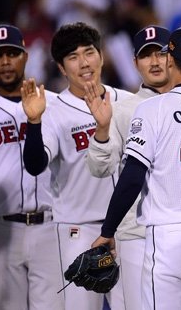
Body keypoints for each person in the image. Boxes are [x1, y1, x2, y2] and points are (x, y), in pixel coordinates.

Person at [84, 25, 181, 309]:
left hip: (168, 236)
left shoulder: (153, 110)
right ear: (135, 63)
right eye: (146, 56)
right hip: (136, 235)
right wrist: (102, 129)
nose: (155, 61)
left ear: (172, 57)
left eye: (160, 52)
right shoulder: (120, 109)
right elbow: (99, 169)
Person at [20, 22, 132, 310]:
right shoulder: (54, 112)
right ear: (61, 67)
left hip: (128, 231)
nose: (84, 63)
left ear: (102, 56)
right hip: (78, 232)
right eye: (73, 57)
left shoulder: (129, 102)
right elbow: (35, 164)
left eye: (89, 52)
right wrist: (34, 123)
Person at [0, 24, 64, 310]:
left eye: (12, 53)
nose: (5, 62)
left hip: (50, 228)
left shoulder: (54, 103)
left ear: (25, 56)